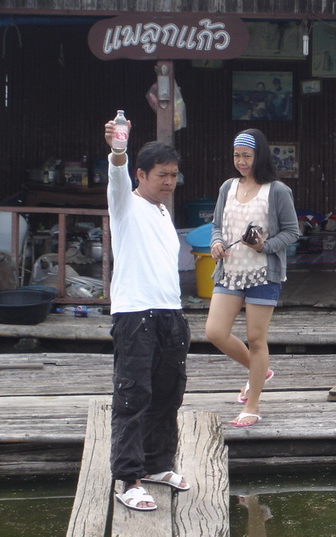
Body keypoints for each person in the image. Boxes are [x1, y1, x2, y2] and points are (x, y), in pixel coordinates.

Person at [104, 120, 191, 512]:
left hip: (170, 313)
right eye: (162, 175)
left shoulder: (160, 212)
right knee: (132, 397)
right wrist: (118, 150)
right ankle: (128, 478)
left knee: (168, 395)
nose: (169, 182)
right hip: (135, 314)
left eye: (173, 175)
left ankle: (157, 465)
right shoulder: (126, 202)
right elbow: (117, 176)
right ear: (141, 174)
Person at [205, 129, 300, 427]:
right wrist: (216, 244)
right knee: (214, 332)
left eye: (247, 156)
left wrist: (263, 246)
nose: (241, 161)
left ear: (259, 156)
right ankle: (259, 371)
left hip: (263, 274)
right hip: (229, 273)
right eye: (237, 156)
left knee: (257, 340)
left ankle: (253, 405)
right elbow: (217, 224)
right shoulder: (227, 187)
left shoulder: (278, 191)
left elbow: (292, 232)